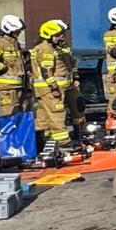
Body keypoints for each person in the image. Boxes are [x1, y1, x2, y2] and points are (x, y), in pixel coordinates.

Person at [29, 19, 76, 162]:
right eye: (57, 35)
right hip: (50, 89)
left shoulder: (45, 47)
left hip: (43, 90)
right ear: (49, 35)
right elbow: (46, 71)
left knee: (43, 117)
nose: (61, 37)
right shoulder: (46, 49)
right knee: (57, 112)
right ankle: (63, 141)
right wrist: (54, 88)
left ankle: (40, 142)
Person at [0, 14, 29, 116]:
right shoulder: (1, 43)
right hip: (6, 87)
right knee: (10, 114)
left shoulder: (14, 43)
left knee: (21, 113)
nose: (19, 33)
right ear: (9, 29)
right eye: (17, 31)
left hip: (18, 85)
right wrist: (4, 68)